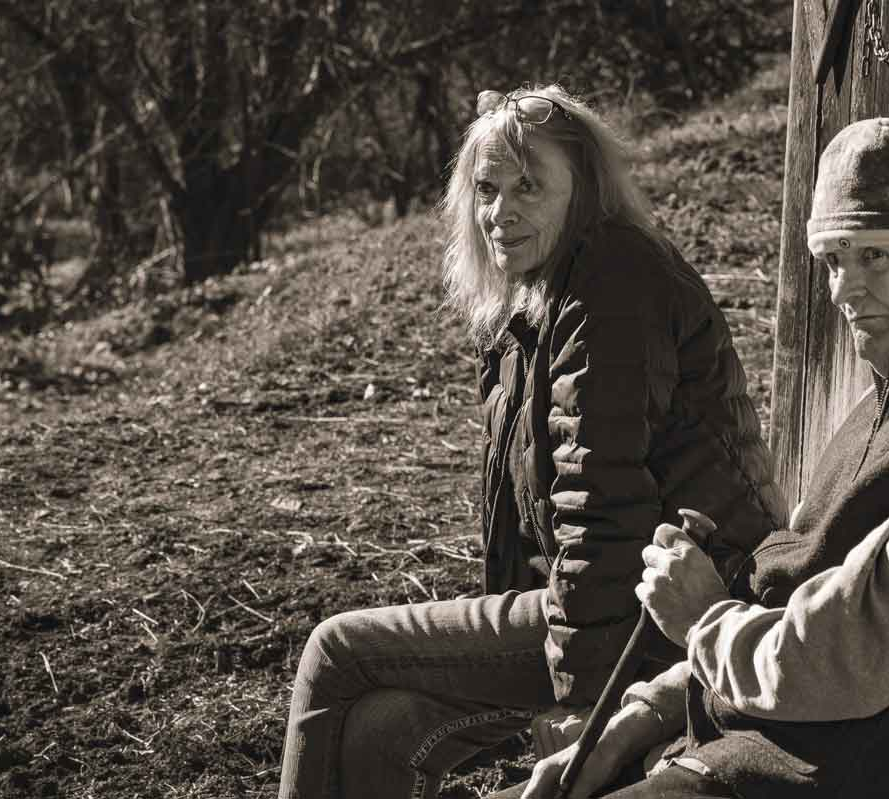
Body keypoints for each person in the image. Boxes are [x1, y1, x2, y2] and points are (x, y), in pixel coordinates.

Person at [493, 115, 889, 799]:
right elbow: (791, 595)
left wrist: (705, 620)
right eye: (832, 261)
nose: (845, 291)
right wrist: (635, 719)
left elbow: (858, 654)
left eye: (876, 256)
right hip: (742, 750)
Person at [276, 85, 787, 799]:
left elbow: (601, 505)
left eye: (528, 185)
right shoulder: (539, 294)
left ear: (585, 188)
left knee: (335, 648)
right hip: (596, 606)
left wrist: (586, 703)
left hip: (666, 613)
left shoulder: (611, 279)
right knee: (382, 728)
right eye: (486, 188)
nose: (500, 210)